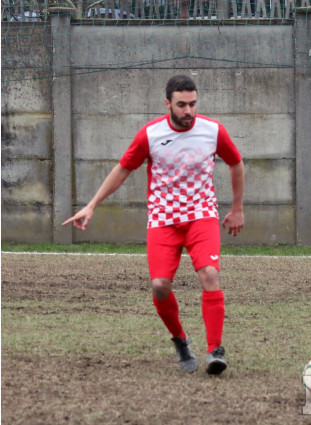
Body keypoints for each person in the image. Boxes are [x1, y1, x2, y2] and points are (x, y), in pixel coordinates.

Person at [63, 75, 245, 376]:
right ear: (168, 104)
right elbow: (123, 168)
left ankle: (215, 350)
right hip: (163, 220)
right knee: (160, 286)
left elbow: (236, 163)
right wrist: (92, 204)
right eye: (182, 105)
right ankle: (180, 340)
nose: (189, 111)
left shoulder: (213, 131)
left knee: (210, 274)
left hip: (201, 215)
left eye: (193, 104)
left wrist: (237, 208)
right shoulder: (150, 134)